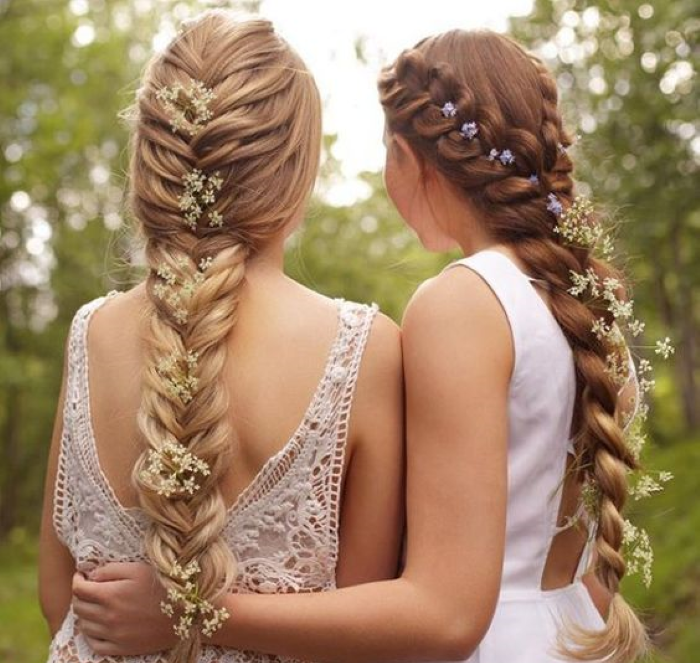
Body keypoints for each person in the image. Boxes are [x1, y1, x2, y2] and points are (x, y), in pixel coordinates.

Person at [70, 27, 650, 663]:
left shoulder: (462, 304)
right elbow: (588, 569)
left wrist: (190, 611)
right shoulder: (584, 300)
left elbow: (443, 610)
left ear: (407, 156)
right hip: (564, 635)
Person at [38, 11, 405, 663]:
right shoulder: (363, 349)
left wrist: (185, 615)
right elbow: (367, 625)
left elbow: (55, 595)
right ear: (295, 173)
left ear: (150, 163)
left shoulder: (89, 332)